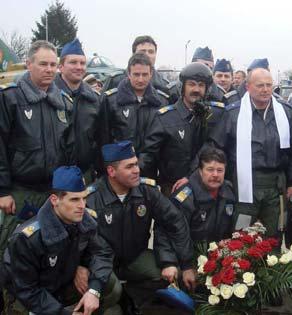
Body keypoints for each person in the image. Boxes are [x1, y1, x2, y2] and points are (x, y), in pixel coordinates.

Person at [86, 141, 195, 311]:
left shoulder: (146, 190)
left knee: (172, 274)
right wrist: (81, 266)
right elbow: (81, 241)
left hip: (135, 256)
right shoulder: (91, 198)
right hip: (104, 264)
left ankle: (135, 300)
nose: (137, 170)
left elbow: (174, 221)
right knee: (112, 293)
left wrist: (174, 262)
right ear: (111, 171)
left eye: (136, 164)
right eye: (129, 166)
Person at [1, 166, 121, 315]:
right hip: (27, 298)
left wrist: (93, 290)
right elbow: (27, 290)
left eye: (84, 198)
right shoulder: (27, 238)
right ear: (54, 200)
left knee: (111, 286)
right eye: (75, 199)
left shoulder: (85, 221)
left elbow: (102, 252)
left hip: (60, 284)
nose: (82, 206)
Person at [0, 40, 74, 261]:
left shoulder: (62, 102)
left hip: (51, 190)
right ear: (28, 64)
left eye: (53, 65)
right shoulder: (9, 98)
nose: (49, 70)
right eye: (43, 64)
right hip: (20, 190)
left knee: (48, 248)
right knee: (11, 248)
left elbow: (68, 148)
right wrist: (2, 190)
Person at [208, 67, 292, 237]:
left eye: (269, 85)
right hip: (244, 184)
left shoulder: (286, 113)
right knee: (240, 233)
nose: (265, 90)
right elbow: (216, 149)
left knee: (274, 233)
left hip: (276, 184)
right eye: (260, 85)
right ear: (248, 87)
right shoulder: (233, 114)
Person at [154, 62, 225, 196]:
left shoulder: (216, 115)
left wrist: (191, 176)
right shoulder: (165, 118)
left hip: (206, 186)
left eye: (201, 85)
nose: (196, 89)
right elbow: (151, 156)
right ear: (182, 87)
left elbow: (214, 147)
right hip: (173, 187)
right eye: (191, 84)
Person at [100, 52, 168, 178]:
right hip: (119, 171)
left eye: (145, 74)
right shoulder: (110, 100)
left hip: (150, 171)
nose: (140, 79)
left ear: (151, 74)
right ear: (128, 74)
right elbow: (103, 138)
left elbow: (161, 141)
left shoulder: (162, 102)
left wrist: (142, 164)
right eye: (136, 74)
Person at [54, 38, 101, 181]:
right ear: (61, 66)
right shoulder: (47, 95)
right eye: (73, 62)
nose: (79, 67)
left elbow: (100, 138)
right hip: (52, 176)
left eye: (82, 63)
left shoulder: (94, 99)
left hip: (84, 174)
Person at [171, 147, 235, 244]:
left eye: (220, 170)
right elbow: (175, 236)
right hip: (192, 254)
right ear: (200, 171)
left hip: (219, 253)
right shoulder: (185, 197)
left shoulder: (229, 191)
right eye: (210, 170)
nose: (215, 174)